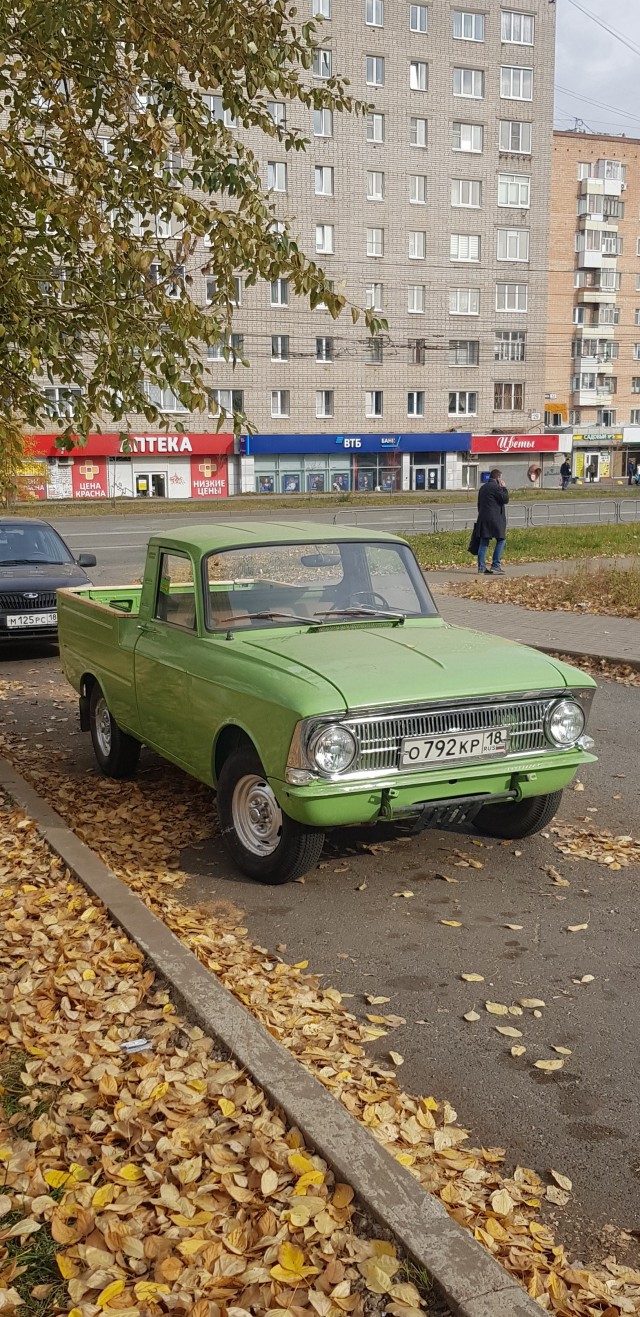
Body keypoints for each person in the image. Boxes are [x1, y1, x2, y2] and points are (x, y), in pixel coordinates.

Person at [476, 468, 509, 576]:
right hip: (495, 519)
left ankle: (481, 567)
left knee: (484, 541)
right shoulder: (496, 487)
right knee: (501, 539)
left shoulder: (483, 488)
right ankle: (495, 564)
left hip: (483, 518)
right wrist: (504, 488)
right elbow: (505, 499)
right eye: (501, 477)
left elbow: (479, 504)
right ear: (498, 477)